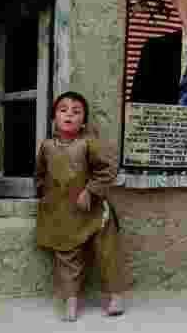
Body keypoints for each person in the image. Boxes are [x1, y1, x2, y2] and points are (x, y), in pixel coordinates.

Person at [35, 91, 126, 321]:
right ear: (54, 117)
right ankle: (71, 300)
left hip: (93, 211)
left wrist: (90, 190)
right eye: (63, 110)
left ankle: (115, 296)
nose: (69, 115)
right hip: (64, 213)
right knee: (67, 255)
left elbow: (107, 170)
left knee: (107, 253)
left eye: (76, 112)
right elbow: (40, 175)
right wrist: (44, 197)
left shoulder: (88, 143)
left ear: (83, 120)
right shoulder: (46, 147)